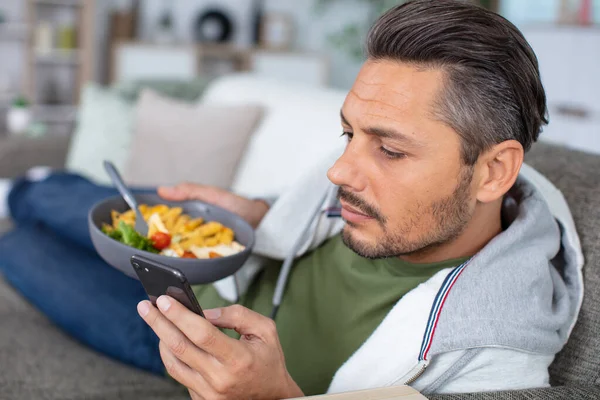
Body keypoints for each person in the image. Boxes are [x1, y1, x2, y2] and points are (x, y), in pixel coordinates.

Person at [0, 0, 583, 399]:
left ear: (494, 171)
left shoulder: (496, 358)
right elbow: (303, 216)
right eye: (349, 133)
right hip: (216, 265)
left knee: (18, 252)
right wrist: (258, 215)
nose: (338, 170)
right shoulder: (379, 205)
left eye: (392, 151)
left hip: (190, 343)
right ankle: (24, 186)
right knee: (49, 199)